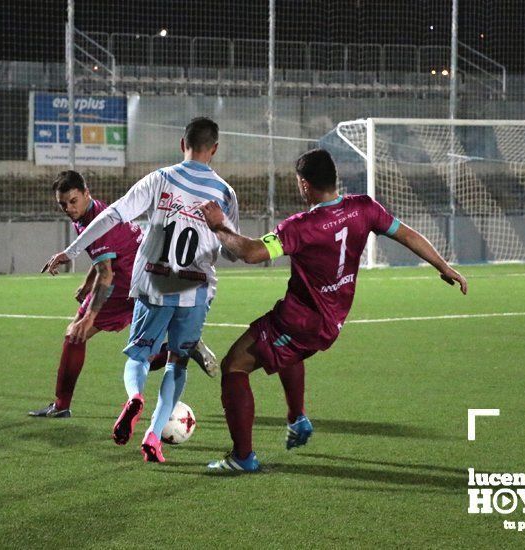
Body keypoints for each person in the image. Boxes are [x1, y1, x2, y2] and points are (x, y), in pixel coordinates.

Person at [199, 149, 467, 472]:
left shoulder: (300, 226)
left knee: (233, 367)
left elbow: (253, 253)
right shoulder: (364, 208)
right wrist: (443, 266)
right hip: (333, 320)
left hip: (301, 324)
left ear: (304, 184)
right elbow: (406, 234)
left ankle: (242, 457)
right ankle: (297, 419)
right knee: (286, 349)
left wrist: (219, 225)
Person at [43, 117, 239, 463]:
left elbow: (113, 215)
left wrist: (69, 252)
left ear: (182, 144)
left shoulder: (160, 179)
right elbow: (230, 251)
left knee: (138, 355)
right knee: (176, 364)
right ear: (216, 149)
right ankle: (153, 436)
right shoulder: (224, 193)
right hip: (195, 290)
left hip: (152, 282)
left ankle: (134, 396)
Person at [29, 170, 216, 419]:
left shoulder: (95, 221)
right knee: (142, 349)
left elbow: (106, 273)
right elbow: (103, 258)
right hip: (148, 276)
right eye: (62, 204)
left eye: (73, 201)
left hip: (125, 282)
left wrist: (89, 318)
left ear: (87, 193)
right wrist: (87, 284)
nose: (68, 208)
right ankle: (178, 346)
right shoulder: (96, 212)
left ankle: (61, 405)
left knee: (75, 334)